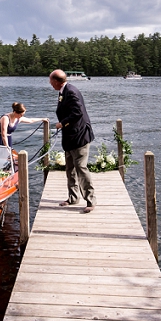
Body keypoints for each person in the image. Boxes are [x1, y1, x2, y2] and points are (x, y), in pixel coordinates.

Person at [49, 69, 96, 213]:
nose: (50, 84)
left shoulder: (71, 91)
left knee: (81, 168)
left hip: (79, 136)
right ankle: (73, 197)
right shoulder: (63, 91)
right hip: (69, 137)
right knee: (70, 168)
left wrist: (62, 123)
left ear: (57, 81)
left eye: (51, 81)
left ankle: (90, 200)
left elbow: (78, 112)